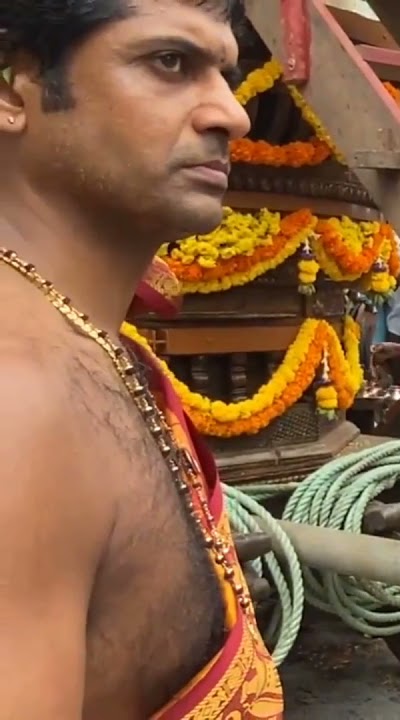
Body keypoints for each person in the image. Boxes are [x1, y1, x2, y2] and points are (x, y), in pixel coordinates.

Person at [0, 0, 287, 715]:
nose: (232, 114)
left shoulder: (99, 347)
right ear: (12, 91)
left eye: (225, 71)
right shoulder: (18, 403)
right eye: (170, 63)